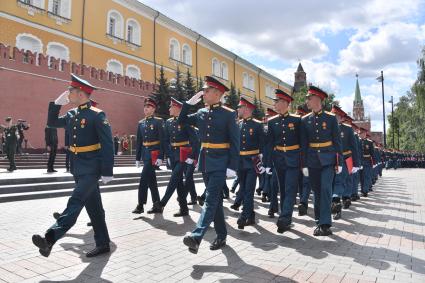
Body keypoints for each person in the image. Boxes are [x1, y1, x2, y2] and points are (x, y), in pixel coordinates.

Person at [32, 74, 114, 258]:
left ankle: (50, 237)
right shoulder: (71, 114)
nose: (68, 93)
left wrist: (107, 171)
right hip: (78, 167)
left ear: (81, 93)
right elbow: (51, 123)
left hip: (92, 168)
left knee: (76, 201)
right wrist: (56, 104)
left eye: (71, 91)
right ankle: (103, 243)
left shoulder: (97, 115)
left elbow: (108, 144)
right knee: (94, 208)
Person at [179, 76, 239, 254]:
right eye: (204, 90)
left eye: (206, 91)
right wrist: (188, 105)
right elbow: (182, 121)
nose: (203, 93)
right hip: (205, 161)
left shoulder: (229, 114)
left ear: (218, 93)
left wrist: (232, 166)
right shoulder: (201, 113)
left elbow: (235, 142)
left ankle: (196, 237)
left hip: (221, 162)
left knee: (211, 199)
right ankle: (221, 235)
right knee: (216, 201)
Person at [300, 86, 343, 236]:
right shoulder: (305, 120)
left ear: (317, 99)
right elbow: (304, 145)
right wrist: (303, 164)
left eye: (309, 98)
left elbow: (337, 142)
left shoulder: (331, 119)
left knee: (325, 189)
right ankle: (319, 221)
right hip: (312, 160)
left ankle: (325, 224)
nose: (306, 101)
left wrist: (340, 162)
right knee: (317, 192)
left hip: (328, 160)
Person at [147, 97, 199, 217]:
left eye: (171, 106)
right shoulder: (169, 122)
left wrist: (192, 156)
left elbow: (195, 140)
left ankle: (162, 203)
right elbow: (165, 140)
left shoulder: (185, 122)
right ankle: (184, 208)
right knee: (179, 182)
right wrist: (167, 155)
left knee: (174, 177)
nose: (169, 108)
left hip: (184, 155)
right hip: (174, 155)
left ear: (178, 108)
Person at [265, 89, 302, 233]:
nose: (274, 104)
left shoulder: (297, 120)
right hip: (279, 159)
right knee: (283, 189)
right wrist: (268, 163)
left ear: (286, 103)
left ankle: (284, 218)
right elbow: (269, 144)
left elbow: (302, 142)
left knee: (290, 188)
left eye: (277, 101)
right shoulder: (272, 121)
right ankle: (286, 218)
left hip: (293, 158)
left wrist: (303, 162)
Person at [234, 97, 265, 229]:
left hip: (252, 162)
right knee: (243, 189)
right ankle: (251, 216)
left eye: (240, 107)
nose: (238, 109)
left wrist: (263, 161)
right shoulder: (238, 124)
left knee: (248, 190)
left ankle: (244, 216)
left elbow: (263, 144)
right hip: (240, 163)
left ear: (247, 109)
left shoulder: (257, 125)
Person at [132, 95, 165, 214]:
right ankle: (157, 204)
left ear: (153, 109)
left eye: (149, 106)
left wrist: (161, 157)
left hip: (154, 154)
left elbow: (162, 140)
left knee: (143, 179)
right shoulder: (141, 123)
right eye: (145, 106)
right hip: (146, 155)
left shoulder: (158, 121)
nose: (146, 108)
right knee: (151, 181)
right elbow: (140, 142)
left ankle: (140, 205)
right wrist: (137, 158)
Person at [330, 106, 359, 219]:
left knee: (339, 181)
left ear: (341, 118)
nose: (333, 118)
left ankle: (337, 205)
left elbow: (354, 147)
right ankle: (334, 204)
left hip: (344, 159)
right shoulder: (326, 127)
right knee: (330, 183)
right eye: (332, 115)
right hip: (329, 159)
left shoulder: (347, 129)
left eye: (336, 116)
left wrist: (356, 164)